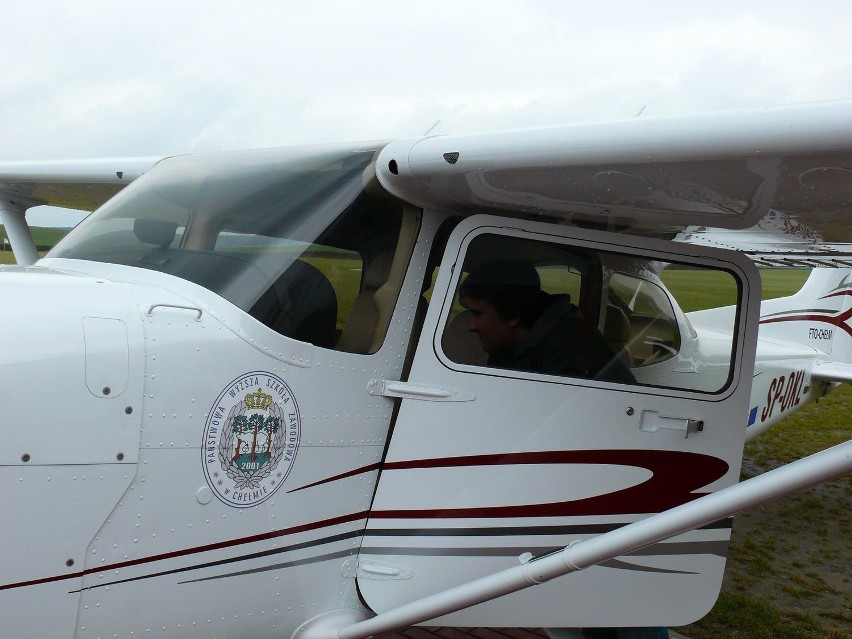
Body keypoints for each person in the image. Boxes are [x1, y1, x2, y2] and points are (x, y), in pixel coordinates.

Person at [458, 260, 635, 384]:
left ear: (512, 315)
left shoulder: (572, 351)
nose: (471, 326)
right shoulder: (507, 345)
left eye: (478, 314)